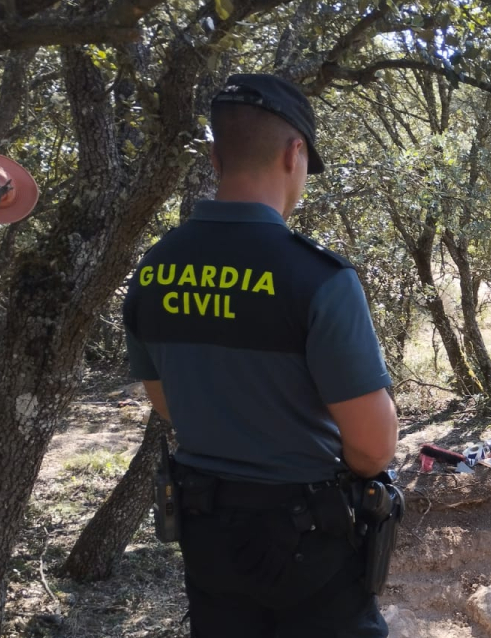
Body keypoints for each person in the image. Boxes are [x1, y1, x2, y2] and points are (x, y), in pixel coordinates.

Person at [123, 73, 400, 637]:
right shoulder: (317, 278)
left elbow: (169, 404)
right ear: (295, 153)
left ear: (214, 155)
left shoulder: (152, 270)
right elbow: (373, 449)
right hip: (311, 550)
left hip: (208, 542)